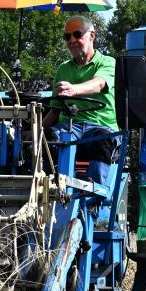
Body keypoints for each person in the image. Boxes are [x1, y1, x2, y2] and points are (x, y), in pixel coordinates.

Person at [40, 15, 119, 184]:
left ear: (92, 35)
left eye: (77, 34)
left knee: (101, 142)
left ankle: (94, 196)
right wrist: (35, 131)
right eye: (67, 36)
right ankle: (48, 188)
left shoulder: (108, 63)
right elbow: (55, 110)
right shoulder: (63, 69)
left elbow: (98, 84)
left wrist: (74, 89)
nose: (72, 40)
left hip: (100, 127)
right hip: (69, 127)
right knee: (46, 140)